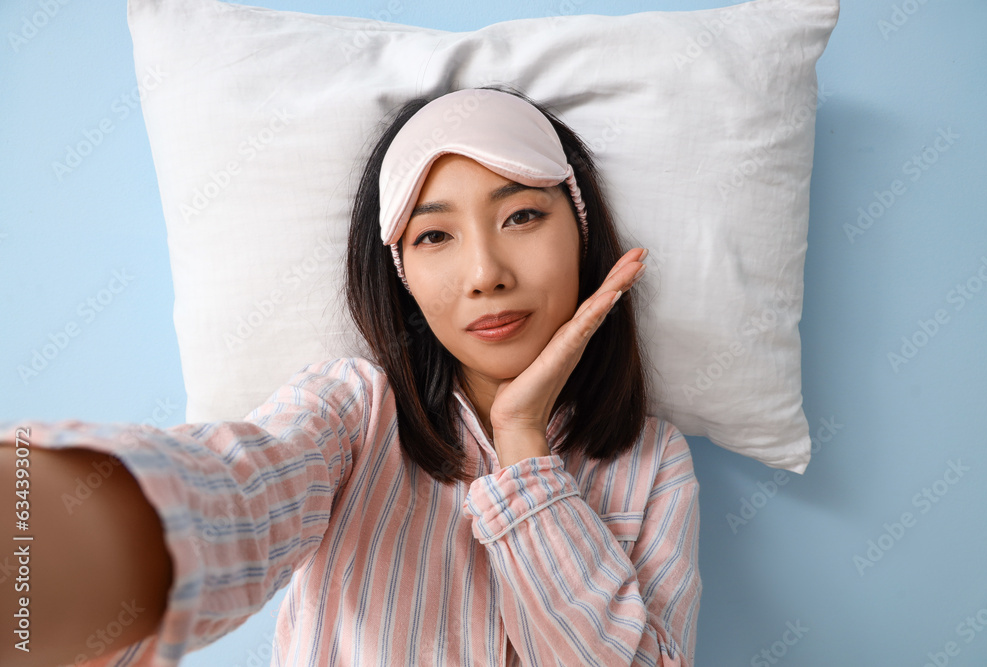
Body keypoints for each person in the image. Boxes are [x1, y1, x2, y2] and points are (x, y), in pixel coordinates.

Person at [1, 85, 701, 667]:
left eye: (521, 215)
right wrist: (47, 526)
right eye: (433, 235)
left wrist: (522, 444)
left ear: (582, 229)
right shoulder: (350, 414)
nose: (486, 273)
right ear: (401, 276)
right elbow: (237, 496)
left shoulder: (654, 463)